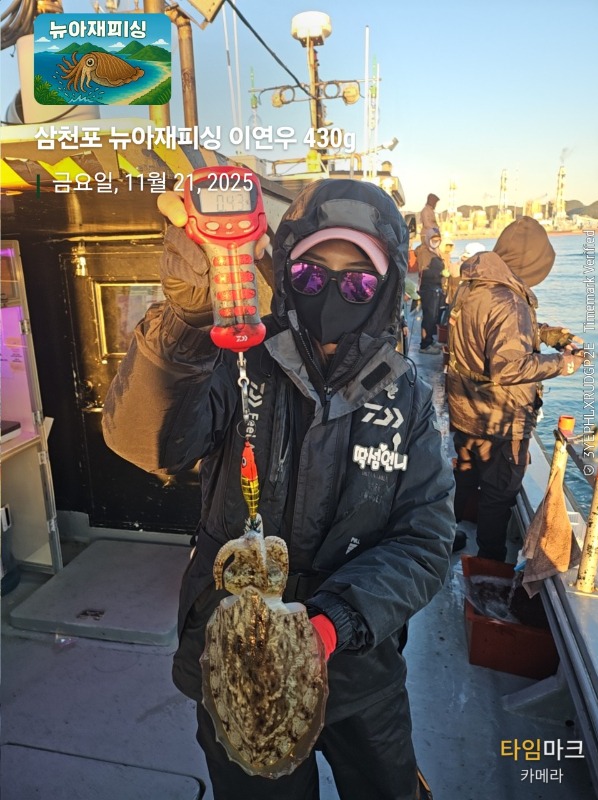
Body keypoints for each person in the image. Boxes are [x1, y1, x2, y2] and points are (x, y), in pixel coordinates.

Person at [102, 179, 455, 800]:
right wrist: (187, 321)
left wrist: (336, 623)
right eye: (312, 274)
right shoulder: (237, 354)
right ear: (287, 273)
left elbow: (424, 540)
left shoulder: (408, 397)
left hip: (358, 667)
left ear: (385, 290)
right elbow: (146, 444)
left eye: (358, 283)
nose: (332, 293)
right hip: (234, 655)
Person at [447, 217, 585, 562]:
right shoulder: (510, 301)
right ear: (531, 263)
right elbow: (508, 366)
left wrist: (549, 335)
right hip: (501, 417)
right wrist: (564, 363)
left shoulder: (475, 285)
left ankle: (442, 539)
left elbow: (494, 331)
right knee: (498, 493)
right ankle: (490, 560)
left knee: (465, 475)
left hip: (467, 408)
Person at [416, 228, 445, 354]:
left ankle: (430, 340)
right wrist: (441, 273)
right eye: (434, 239)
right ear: (428, 239)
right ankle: (425, 344)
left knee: (434, 317)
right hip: (428, 289)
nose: (436, 242)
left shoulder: (435, 252)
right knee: (429, 317)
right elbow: (424, 272)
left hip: (436, 288)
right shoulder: (424, 252)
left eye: (438, 240)